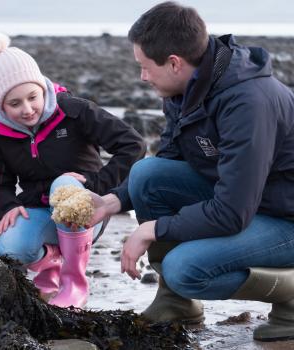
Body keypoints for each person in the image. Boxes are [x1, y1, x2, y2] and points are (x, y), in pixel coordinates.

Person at [88, 1, 294, 341]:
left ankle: (290, 295)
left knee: (185, 268)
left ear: (174, 63)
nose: (142, 76)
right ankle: (177, 302)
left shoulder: (248, 103)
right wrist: (115, 200)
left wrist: (152, 229)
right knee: (147, 175)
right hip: (246, 202)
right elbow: (168, 157)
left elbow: (230, 213)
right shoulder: (186, 87)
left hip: (284, 218)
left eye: (144, 66)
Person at [0, 32, 146, 308]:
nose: (28, 109)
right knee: (11, 248)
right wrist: (6, 206)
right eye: (15, 103)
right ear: (1, 106)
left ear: (43, 88)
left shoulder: (74, 110)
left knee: (63, 185)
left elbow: (133, 145)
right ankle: (49, 266)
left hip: (87, 211)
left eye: (33, 97)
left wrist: (98, 184)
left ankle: (75, 283)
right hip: (41, 210)